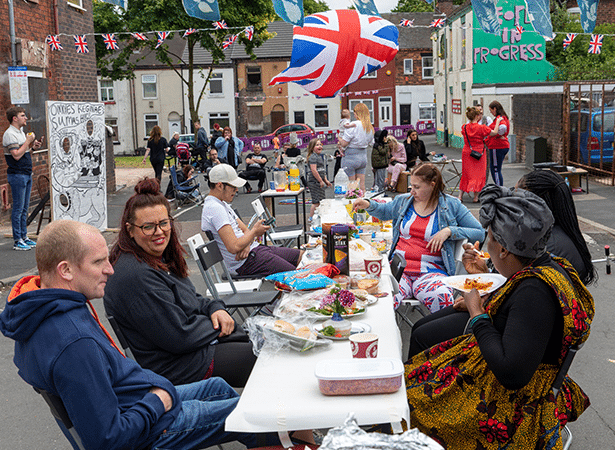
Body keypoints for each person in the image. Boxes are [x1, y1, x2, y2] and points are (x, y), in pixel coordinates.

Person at [0, 219, 272, 450]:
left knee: (219, 388)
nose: (110, 269)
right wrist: (157, 400)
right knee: (256, 415)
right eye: (98, 262)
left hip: (137, 402)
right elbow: (108, 439)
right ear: (66, 270)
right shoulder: (73, 343)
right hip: (147, 429)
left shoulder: (41, 304)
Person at [404, 185, 594, 449]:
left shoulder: (535, 293)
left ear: (504, 250)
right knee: (420, 341)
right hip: (502, 373)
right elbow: (514, 308)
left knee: (410, 397)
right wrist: (486, 282)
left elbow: (511, 373)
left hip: (512, 404)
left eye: (490, 238)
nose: (488, 245)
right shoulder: (544, 265)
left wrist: (478, 314)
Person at [104, 178, 255, 388]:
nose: (159, 232)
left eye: (164, 223)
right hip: (180, 367)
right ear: (130, 230)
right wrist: (218, 326)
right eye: (148, 226)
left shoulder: (158, 257)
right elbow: (179, 335)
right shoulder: (135, 276)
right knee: (266, 362)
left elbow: (192, 299)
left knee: (265, 346)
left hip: (195, 348)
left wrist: (215, 309)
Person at [353, 163, 484, 312]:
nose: (412, 191)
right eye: (411, 186)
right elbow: (385, 211)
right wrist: (367, 204)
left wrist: (449, 231)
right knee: (381, 298)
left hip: (431, 272)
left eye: (416, 187)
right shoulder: (404, 201)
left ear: (432, 185)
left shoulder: (451, 205)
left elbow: (479, 232)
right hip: (399, 270)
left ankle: (439, 335)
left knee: (442, 297)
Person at [201, 164, 303, 277]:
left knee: (302, 256)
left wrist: (246, 244)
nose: (236, 190)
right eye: (233, 187)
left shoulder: (221, 203)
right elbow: (233, 247)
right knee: (297, 275)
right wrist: (254, 232)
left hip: (252, 251)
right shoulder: (215, 208)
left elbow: (245, 230)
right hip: (244, 262)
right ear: (219, 185)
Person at [3, 106, 43, 251]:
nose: (26, 118)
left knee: (25, 208)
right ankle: (17, 240)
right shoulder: (10, 134)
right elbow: (16, 155)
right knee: (18, 208)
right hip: (17, 175)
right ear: (15, 118)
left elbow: (24, 153)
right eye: (22, 115)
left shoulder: (20, 132)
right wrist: (27, 142)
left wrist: (33, 148)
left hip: (26, 173)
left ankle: (24, 236)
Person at [458, 107, 501, 203]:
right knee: (478, 175)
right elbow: (494, 133)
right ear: (477, 116)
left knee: (466, 174)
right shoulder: (481, 128)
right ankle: (476, 197)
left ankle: (460, 196)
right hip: (479, 153)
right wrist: (497, 122)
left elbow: (464, 135)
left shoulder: (464, 127)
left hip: (467, 152)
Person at [338, 103, 374, 193]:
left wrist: (338, 138)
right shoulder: (369, 126)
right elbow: (370, 142)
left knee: (351, 187)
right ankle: (363, 204)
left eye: (354, 113)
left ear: (358, 113)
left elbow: (344, 143)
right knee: (362, 186)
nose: (353, 115)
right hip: (363, 156)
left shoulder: (353, 124)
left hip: (351, 157)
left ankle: (353, 204)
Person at [486, 100, 510, 186]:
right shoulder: (504, 117)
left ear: (495, 108)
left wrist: (496, 135)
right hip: (500, 145)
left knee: (495, 169)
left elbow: (503, 128)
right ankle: (499, 187)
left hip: (497, 146)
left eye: (491, 110)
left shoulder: (500, 118)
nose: (491, 112)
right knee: (495, 168)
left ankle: (499, 188)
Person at [306, 138, 332, 219]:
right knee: (316, 202)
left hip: (319, 182)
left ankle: (319, 216)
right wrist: (320, 181)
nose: (319, 146)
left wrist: (326, 180)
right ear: (312, 147)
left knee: (321, 201)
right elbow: (314, 170)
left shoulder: (319, 157)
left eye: (320, 144)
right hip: (314, 182)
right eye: (317, 145)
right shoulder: (313, 157)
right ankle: (311, 218)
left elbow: (321, 171)